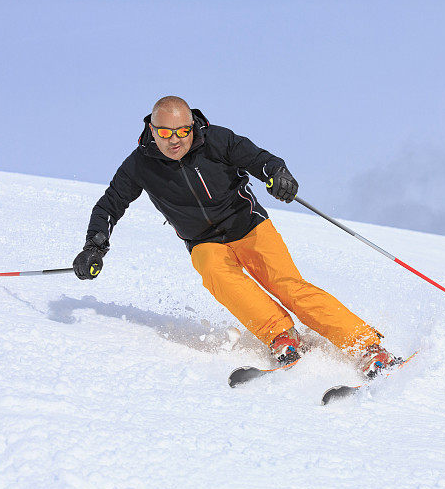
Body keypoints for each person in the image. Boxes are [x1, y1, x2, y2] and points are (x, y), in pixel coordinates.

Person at [73, 96, 399, 378]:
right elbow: (110, 204)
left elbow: (259, 159)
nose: (175, 140)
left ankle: (366, 346)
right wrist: (94, 246)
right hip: (203, 241)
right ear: (152, 130)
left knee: (287, 285)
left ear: (192, 126)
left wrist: (277, 174)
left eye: (182, 131)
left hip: (248, 226)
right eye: (165, 133)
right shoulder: (139, 165)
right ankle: (282, 336)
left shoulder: (217, 140)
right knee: (217, 274)